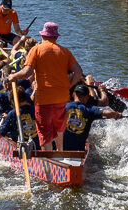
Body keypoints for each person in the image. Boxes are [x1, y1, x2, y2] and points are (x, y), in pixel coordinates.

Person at [8, 22, 83, 151]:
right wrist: (68, 86)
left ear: (43, 36)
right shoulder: (65, 51)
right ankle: (60, 154)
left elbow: (26, 73)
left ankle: (49, 165)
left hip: (44, 99)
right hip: (62, 97)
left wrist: (13, 77)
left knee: (44, 134)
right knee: (59, 129)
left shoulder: (36, 50)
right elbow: (79, 72)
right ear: (56, 37)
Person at [62, 82, 122, 151]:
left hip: (62, 148)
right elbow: (108, 112)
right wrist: (117, 115)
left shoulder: (64, 106)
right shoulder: (90, 109)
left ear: (73, 95)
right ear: (87, 97)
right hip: (78, 151)